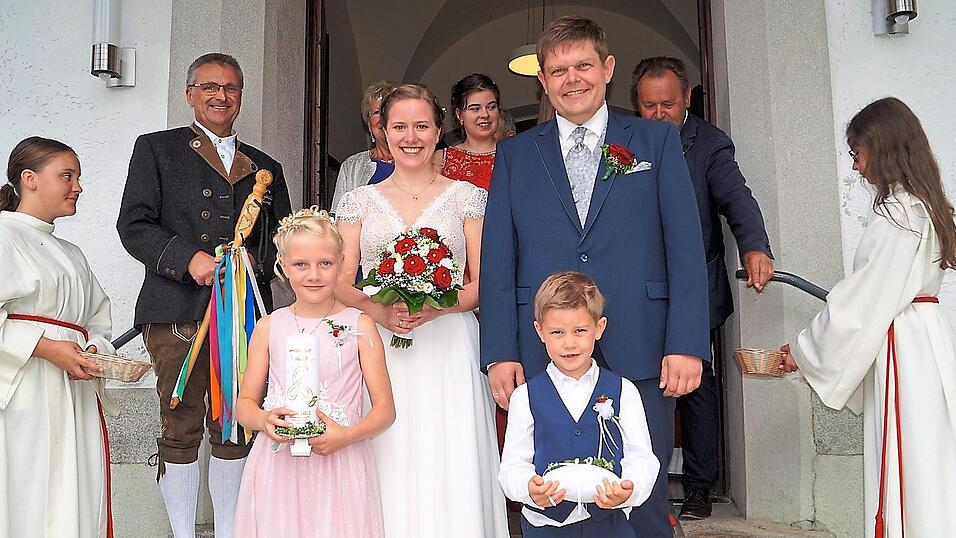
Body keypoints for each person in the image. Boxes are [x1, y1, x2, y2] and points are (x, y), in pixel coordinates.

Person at [480, 16, 710, 538]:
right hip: (545, 349)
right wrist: (500, 351)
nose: (572, 79)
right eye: (558, 70)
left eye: (583, 65)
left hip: (643, 341)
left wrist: (688, 342)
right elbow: (498, 258)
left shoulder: (654, 141)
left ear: (607, 68)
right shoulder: (516, 154)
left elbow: (685, 248)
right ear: (542, 80)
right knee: (547, 495)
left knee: (642, 496)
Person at [117, 53, 292, 538]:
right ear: (190, 93)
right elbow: (133, 223)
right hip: (176, 308)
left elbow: (281, 240)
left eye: (231, 88)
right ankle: (182, 532)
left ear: (241, 96)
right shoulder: (156, 149)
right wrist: (186, 258)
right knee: (181, 425)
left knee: (236, 426)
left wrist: (260, 265)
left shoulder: (266, 166)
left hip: (243, 314)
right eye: (209, 86)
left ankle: (232, 530)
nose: (221, 96)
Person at [334, 83, 509, 537]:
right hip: (380, 347)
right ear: (383, 131)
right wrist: (380, 309)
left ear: (438, 131)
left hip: (449, 343)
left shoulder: (467, 196)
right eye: (399, 126)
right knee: (388, 450)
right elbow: (340, 280)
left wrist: (436, 306)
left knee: (447, 450)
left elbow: (480, 283)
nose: (410, 136)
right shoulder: (358, 202)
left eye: (421, 126)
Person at [780, 97, 956, 537]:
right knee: (929, 462)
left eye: (858, 154)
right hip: (924, 339)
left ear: (883, 149)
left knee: (911, 462)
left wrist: (802, 350)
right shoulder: (922, 207)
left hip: (905, 349)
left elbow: (859, 307)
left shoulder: (899, 216)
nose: (856, 168)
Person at [633, 56, 774, 520]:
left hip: (696, 285)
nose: (657, 115)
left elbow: (737, 198)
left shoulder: (710, 144)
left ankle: (697, 488)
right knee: (637, 386)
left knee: (695, 388)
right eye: (648, 105)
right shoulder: (624, 142)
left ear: (687, 99)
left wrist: (754, 246)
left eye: (667, 104)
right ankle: (635, 488)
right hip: (639, 289)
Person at [233, 206, 394, 537]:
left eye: (325, 264)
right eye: (301, 265)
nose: (314, 275)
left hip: (340, 462)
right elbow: (245, 404)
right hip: (278, 466)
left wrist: (345, 436)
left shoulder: (360, 326)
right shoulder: (268, 327)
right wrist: (264, 420)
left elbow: (385, 411)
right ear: (284, 268)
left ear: (340, 265)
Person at [0, 137, 114, 537]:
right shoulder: (3, 236)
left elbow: (98, 316)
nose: (78, 186)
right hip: (26, 392)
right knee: (32, 492)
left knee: (75, 491)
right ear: (29, 179)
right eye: (66, 176)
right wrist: (48, 349)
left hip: (74, 392)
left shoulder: (73, 252)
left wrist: (95, 351)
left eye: (78, 177)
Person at [498, 271, 660, 537]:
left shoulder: (624, 391)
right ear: (540, 331)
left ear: (599, 328)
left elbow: (642, 458)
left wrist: (629, 489)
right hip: (546, 527)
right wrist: (528, 488)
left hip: (610, 526)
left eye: (580, 331)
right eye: (557, 332)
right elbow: (513, 465)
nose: (569, 343)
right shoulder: (525, 396)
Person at [331, 80, 397, 211]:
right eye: (377, 112)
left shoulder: (417, 162)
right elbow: (337, 218)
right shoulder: (351, 167)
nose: (384, 118)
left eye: (389, 110)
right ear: (369, 125)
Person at [434, 73, 501, 191]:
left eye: (491, 107)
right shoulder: (441, 159)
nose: (485, 114)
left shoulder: (514, 153)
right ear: (459, 115)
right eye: (475, 109)